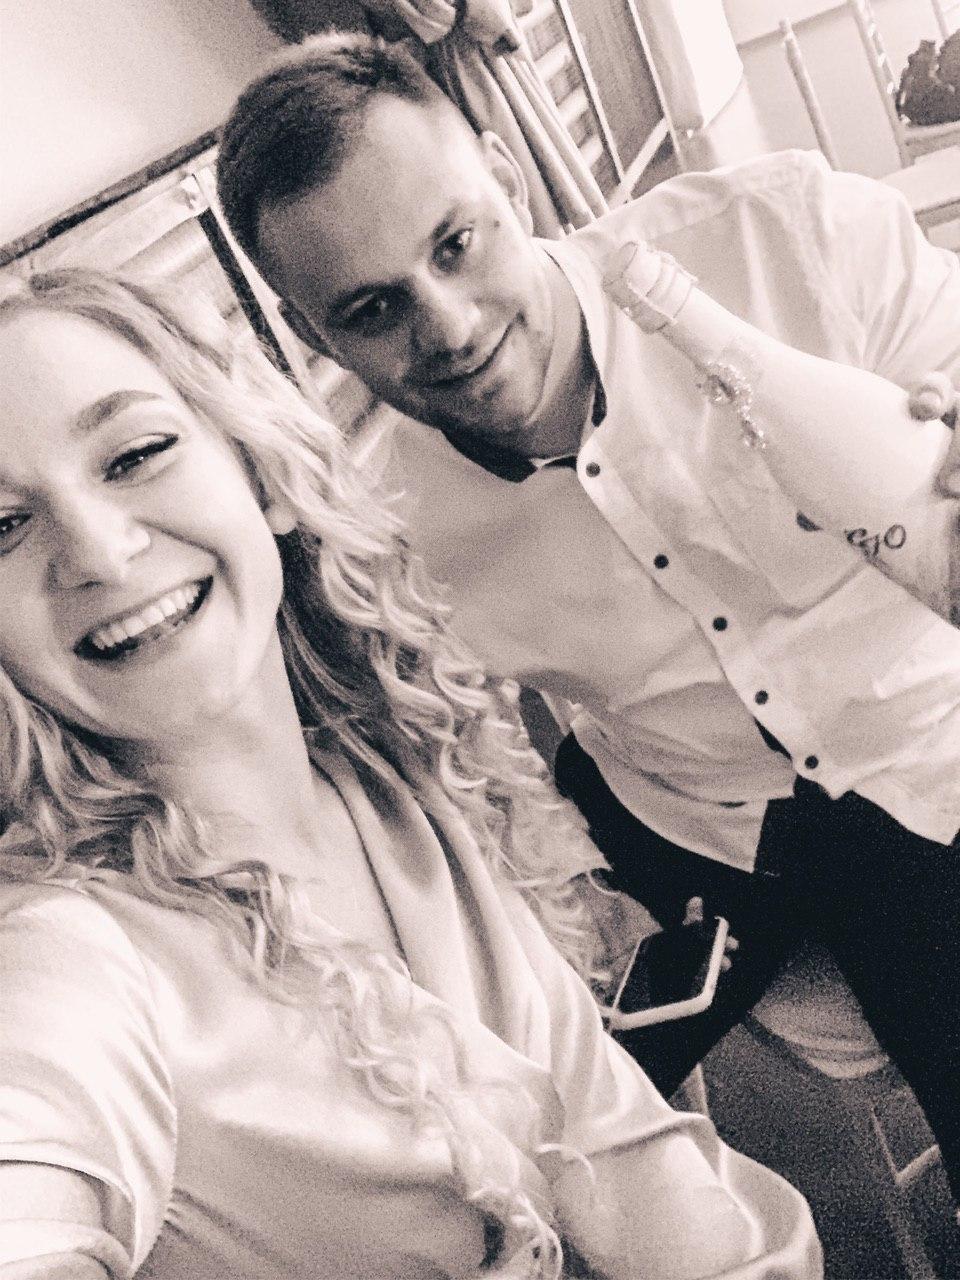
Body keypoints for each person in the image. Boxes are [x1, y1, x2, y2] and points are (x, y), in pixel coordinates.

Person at [214, 32, 960, 1211]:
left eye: (456, 245)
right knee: (532, 1161)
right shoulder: (370, 523)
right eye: (372, 309)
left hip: (925, 745)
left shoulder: (794, 237)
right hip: (686, 819)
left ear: (509, 178)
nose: (449, 328)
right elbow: (409, 756)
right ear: (317, 339)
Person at [0, 268, 822, 1279]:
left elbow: (634, 1162)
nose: (99, 550)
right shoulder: (61, 955)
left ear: (259, 471)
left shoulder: (396, 803)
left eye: (135, 455)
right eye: (2, 527)